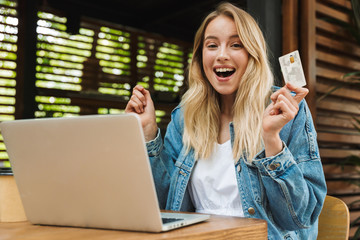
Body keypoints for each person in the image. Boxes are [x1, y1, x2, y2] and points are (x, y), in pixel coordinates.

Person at [125, 2, 327, 239]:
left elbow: (301, 218)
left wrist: (271, 141)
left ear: (253, 53)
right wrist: (148, 133)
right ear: (201, 56)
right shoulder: (185, 116)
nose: (221, 55)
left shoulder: (285, 109)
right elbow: (166, 206)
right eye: (212, 45)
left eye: (235, 45)